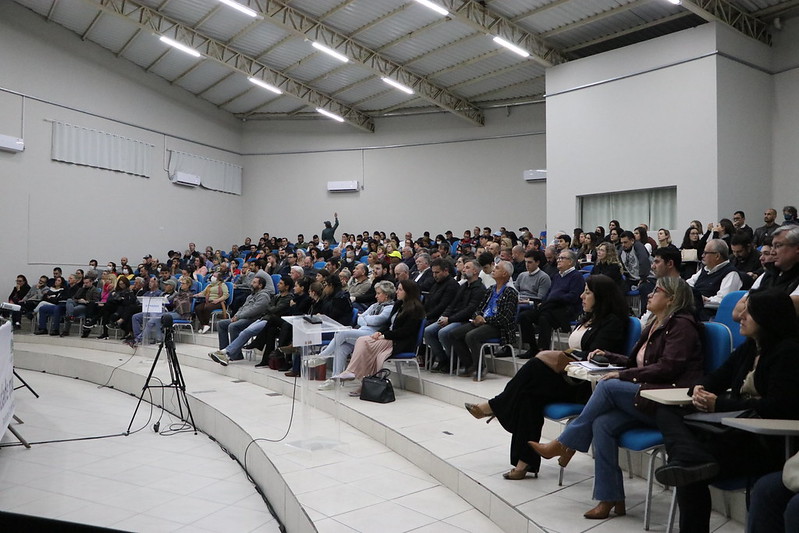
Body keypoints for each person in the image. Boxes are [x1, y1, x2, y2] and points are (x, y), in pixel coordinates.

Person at [529, 277, 702, 520]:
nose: (650, 295)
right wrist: (611, 357)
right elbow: (639, 363)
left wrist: (624, 374)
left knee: (609, 385)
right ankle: (610, 498)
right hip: (647, 393)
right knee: (603, 424)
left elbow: (668, 368)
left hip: (667, 402)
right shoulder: (655, 323)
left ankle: (565, 443)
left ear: (672, 299)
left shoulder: (682, 326)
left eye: (657, 291)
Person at [654, 290, 799, 533]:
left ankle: (691, 459)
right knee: (666, 412)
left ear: (767, 317)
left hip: (762, 442)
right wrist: (700, 389)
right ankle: (691, 458)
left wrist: (718, 404)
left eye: (748, 311)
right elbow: (718, 377)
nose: (741, 316)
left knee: (688, 473)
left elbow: (776, 407)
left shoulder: (789, 353)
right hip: (733, 430)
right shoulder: (750, 347)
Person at [464, 275, 629, 480]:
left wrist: (563, 356)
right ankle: (524, 463)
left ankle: (495, 406)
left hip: (586, 385)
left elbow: (596, 356)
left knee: (534, 367)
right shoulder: (589, 317)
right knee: (527, 397)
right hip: (569, 376)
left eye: (587, 292)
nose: (581, 296)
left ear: (602, 296)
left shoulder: (613, 322)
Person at [334, 279, 425, 396]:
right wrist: (380, 332)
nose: (397, 292)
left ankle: (360, 379)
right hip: (389, 337)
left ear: (409, 292)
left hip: (400, 342)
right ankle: (353, 374)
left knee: (367, 344)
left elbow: (406, 332)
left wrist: (384, 335)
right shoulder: (398, 304)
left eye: (400, 290)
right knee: (362, 340)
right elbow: (387, 324)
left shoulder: (415, 309)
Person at [314, 280, 395, 389]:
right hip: (362, 331)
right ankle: (335, 380)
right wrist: (366, 319)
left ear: (386, 295)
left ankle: (323, 356)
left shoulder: (390, 308)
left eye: (379, 293)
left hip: (374, 336)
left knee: (342, 333)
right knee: (341, 347)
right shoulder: (375, 306)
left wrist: (365, 319)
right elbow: (359, 319)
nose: (375, 296)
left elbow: (377, 321)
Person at [451, 261, 519, 380]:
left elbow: (505, 318)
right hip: (483, 322)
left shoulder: (510, 292)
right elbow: (479, 307)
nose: (493, 269)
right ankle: (469, 364)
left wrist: (485, 320)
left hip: (499, 327)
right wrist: (477, 316)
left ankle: (480, 367)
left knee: (471, 336)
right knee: (454, 334)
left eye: (497, 268)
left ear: (504, 274)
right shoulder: (491, 289)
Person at [518, 250, 585, 357]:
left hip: (566, 309)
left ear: (571, 262)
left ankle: (543, 351)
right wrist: (544, 302)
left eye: (562, 258)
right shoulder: (557, 276)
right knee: (524, 316)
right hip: (550, 307)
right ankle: (533, 347)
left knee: (544, 317)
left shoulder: (576, 276)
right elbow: (548, 294)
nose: (558, 260)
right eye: (558, 258)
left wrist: (553, 300)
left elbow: (573, 297)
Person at [424, 259, 486, 373]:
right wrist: (444, 316)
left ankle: (454, 360)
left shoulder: (480, 289)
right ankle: (443, 359)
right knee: (428, 331)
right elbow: (452, 304)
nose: (463, 269)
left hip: (466, 320)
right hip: (453, 317)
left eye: (467, 267)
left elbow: (469, 310)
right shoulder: (463, 286)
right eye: (464, 267)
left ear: (476, 271)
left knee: (443, 332)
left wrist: (450, 319)